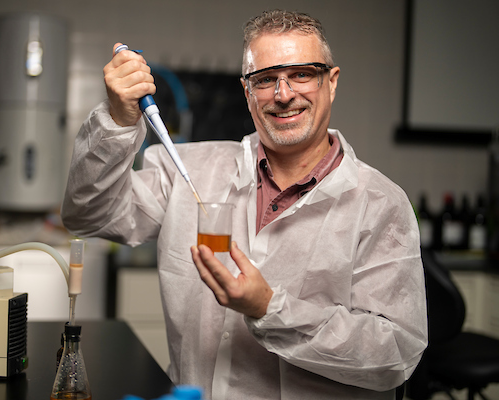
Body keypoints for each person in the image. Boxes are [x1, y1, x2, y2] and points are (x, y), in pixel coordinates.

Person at [61, 10, 428, 400]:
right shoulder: (189, 170)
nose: (283, 94)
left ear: (331, 82)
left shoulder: (379, 203)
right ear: (247, 90)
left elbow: (394, 355)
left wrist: (270, 308)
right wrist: (119, 120)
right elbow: (87, 213)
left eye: (301, 73)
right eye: (265, 79)